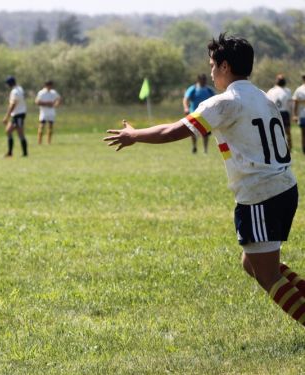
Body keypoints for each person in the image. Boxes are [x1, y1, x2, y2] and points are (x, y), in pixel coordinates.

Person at [104, 33, 305, 327]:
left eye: (212, 65)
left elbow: (172, 131)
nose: (211, 72)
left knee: (267, 275)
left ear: (224, 66)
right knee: (251, 263)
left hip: (261, 194)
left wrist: (134, 135)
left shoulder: (225, 102)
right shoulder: (260, 95)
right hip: (283, 186)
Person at [182, 73, 215, 153]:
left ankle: (205, 150)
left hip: (206, 114)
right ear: (198, 80)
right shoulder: (193, 89)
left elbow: (215, 99)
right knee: (192, 131)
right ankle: (194, 146)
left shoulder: (209, 89)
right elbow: (186, 99)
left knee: (205, 133)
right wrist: (186, 108)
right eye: (202, 80)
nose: (204, 82)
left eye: (205, 80)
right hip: (194, 114)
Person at [2, 76, 27, 157]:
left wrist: (7, 116)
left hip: (18, 114)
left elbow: (13, 104)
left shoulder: (14, 92)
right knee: (8, 131)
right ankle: (10, 152)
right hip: (18, 114)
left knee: (20, 134)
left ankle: (24, 153)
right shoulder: (20, 88)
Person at [267, 73, 293, 148]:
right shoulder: (286, 91)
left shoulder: (271, 91)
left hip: (279, 113)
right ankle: (285, 148)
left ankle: (287, 148)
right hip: (280, 113)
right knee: (282, 132)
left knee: (283, 132)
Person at [35, 80, 62, 145]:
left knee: (50, 127)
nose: (50, 87)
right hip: (43, 112)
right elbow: (37, 102)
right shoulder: (41, 93)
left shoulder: (53, 92)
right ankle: (39, 142)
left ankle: (48, 142)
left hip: (51, 112)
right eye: (49, 85)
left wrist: (56, 104)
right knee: (41, 127)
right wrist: (47, 103)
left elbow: (59, 99)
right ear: (46, 85)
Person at [291, 74, 305, 154]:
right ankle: (304, 150)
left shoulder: (299, 89)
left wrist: (295, 115)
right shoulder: (299, 90)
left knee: (303, 134)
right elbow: (295, 103)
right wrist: (295, 115)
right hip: (302, 115)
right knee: (303, 134)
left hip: (302, 115)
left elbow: (296, 103)